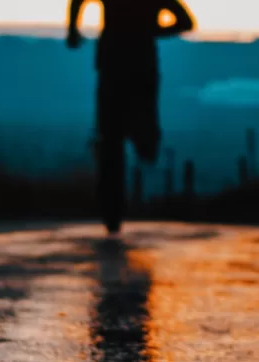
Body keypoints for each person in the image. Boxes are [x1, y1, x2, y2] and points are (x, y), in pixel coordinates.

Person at [67, 0, 195, 233]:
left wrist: (73, 30)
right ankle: (112, 209)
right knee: (113, 140)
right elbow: (185, 22)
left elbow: (186, 21)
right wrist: (151, 31)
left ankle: (112, 209)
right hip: (135, 70)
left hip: (117, 69)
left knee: (112, 140)